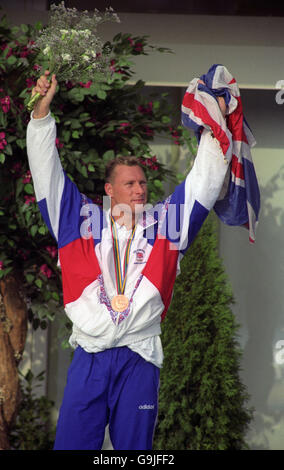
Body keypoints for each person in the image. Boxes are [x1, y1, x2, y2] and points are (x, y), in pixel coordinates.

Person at [26, 71, 230, 450]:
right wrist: (40, 115)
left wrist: (215, 124)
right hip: (90, 356)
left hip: (139, 357)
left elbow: (202, 182)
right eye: (129, 184)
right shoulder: (80, 223)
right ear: (109, 191)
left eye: (142, 183)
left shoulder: (166, 226)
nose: (139, 190)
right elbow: (48, 176)